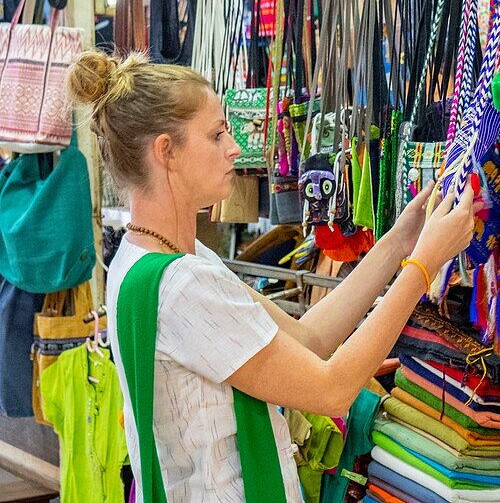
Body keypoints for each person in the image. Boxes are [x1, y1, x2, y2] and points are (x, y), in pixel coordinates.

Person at [67, 51, 476, 503]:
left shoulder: (149, 258)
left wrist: (399, 242)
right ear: (167, 150)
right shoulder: (182, 284)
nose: (234, 146)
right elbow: (332, 389)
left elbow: (310, 339)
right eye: (216, 134)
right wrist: (424, 264)